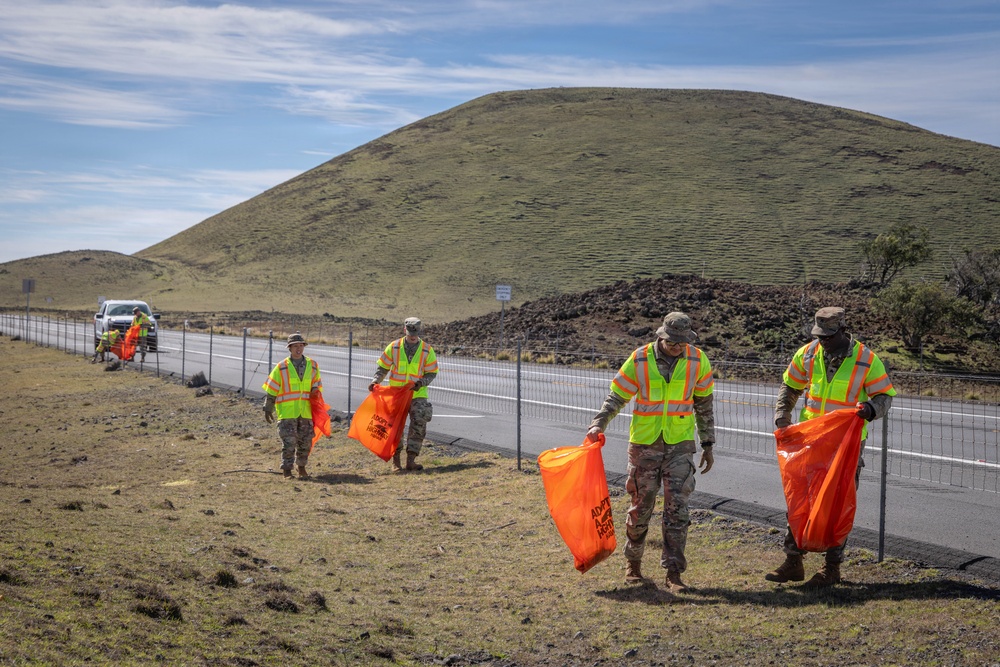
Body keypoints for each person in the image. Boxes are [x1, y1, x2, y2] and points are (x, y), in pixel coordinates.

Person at [585, 312, 716, 593]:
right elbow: (617, 396)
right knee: (640, 507)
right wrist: (599, 423)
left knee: (677, 511)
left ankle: (674, 572)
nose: (677, 347)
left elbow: (704, 404)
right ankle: (633, 564)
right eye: (672, 342)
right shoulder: (640, 359)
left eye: (682, 343)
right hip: (644, 445)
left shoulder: (698, 360)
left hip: (680, 444)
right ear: (661, 336)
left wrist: (708, 443)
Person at [767, 306, 896, 588]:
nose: (822, 341)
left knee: (837, 505)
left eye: (828, 336)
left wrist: (871, 409)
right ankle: (793, 561)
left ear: (842, 330)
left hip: (846, 445)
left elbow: (884, 397)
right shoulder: (808, 353)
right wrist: (782, 415)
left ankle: (832, 568)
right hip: (811, 440)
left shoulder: (866, 359)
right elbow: (790, 386)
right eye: (819, 335)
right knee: (800, 499)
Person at [368, 317, 439, 472]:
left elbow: (431, 372)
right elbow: (382, 368)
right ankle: (396, 461)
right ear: (404, 330)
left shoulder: (427, 350)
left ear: (419, 331)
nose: (413, 336)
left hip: (417, 394)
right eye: (410, 333)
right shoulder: (394, 347)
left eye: (416, 333)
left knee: (419, 424)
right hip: (397, 395)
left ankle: (411, 460)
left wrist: (420, 383)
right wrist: (375, 381)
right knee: (394, 427)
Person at [262, 332, 322, 479]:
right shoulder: (281, 367)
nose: (298, 349)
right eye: (295, 346)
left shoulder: (313, 365)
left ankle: (301, 468)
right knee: (289, 443)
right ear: (289, 348)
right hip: (287, 412)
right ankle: (287, 470)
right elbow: (272, 390)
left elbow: (316, 384)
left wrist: (315, 391)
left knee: (305, 442)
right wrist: (268, 407)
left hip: (305, 412)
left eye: (301, 346)